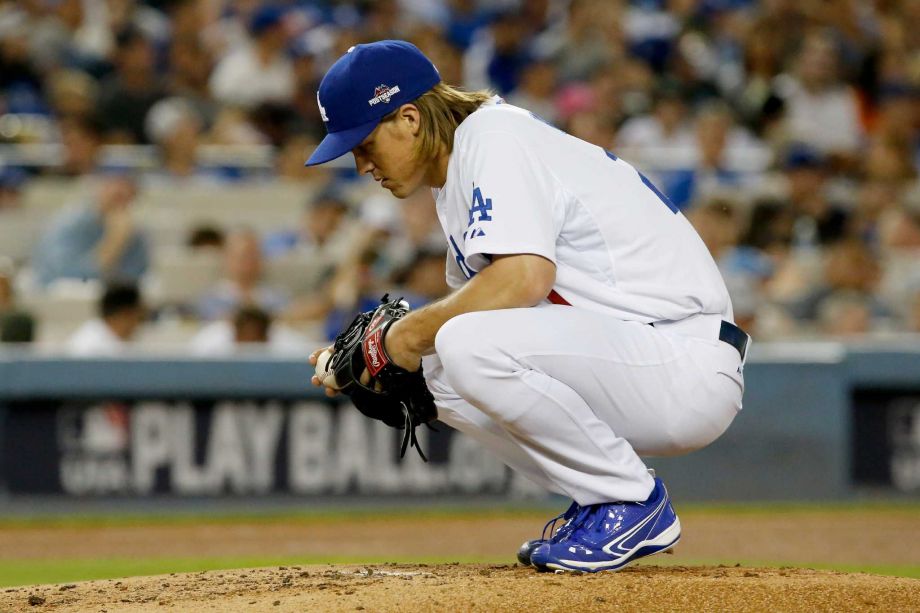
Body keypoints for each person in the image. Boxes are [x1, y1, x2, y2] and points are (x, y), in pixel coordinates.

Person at [306, 41, 748, 573]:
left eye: (364, 143)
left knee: (459, 343)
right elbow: (480, 306)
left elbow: (523, 279)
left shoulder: (493, 139)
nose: (360, 164)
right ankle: (603, 497)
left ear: (409, 118)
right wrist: (378, 357)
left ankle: (629, 500)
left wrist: (402, 337)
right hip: (636, 353)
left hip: (680, 355)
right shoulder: (460, 172)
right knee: (435, 366)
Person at [32, 171, 149, 287]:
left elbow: (133, 279)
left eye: (126, 197)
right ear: (100, 190)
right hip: (63, 299)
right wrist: (113, 242)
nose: (119, 204)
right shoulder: (68, 224)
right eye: (116, 195)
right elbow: (64, 275)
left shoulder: (133, 233)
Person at [67, 283, 146, 356]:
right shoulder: (87, 346)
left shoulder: (126, 341)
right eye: (139, 315)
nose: (139, 322)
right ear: (126, 313)